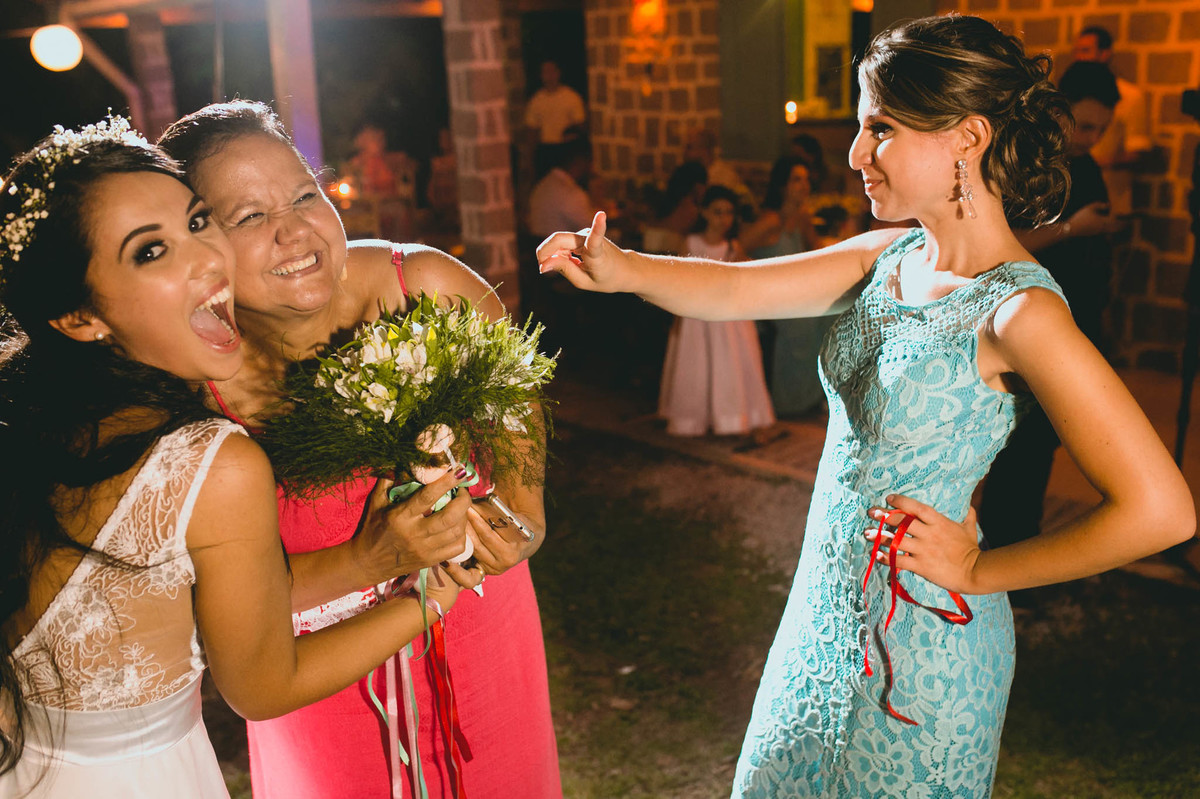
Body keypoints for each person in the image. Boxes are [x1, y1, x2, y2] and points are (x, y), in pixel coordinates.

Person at [538, 15, 1194, 797]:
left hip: (922, 664)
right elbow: (738, 288)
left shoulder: (1020, 314)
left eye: (878, 128)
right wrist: (622, 267)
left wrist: (984, 568)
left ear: (966, 136)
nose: (856, 155)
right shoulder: (889, 259)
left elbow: (1161, 510)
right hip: (819, 615)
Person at [0, 119, 469, 797]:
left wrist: (368, 559)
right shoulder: (214, 460)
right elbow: (263, 685)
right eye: (152, 251)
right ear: (79, 315)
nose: (208, 258)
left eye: (198, 221)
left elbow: (164, 589)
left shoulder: (28, 413)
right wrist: (440, 592)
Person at [158, 101, 562, 799]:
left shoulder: (427, 289)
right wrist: (368, 560)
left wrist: (524, 513)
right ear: (200, 244)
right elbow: (203, 598)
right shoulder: (185, 387)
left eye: (305, 195)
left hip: (478, 632)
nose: (295, 232)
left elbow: (517, 394)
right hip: (319, 691)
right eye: (250, 216)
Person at [978, 60, 1128, 550]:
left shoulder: (1085, 164)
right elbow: (1000, 246)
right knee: (1020, 447)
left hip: (1076, 319)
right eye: (1085, 126)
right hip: (1026, 326)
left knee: (1042, 446)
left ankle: (1022, 546)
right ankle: (1003, 552)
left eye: (1101, 130)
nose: (1091, 137)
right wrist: (1071, 229)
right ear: (1059, 111)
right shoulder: (1027, 165)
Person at [658, 185, 776, 439]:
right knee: (696, 364)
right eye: (717, 212)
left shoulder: (732, 247)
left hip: (728, 320)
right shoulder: (691, 242)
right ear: (704, 213)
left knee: (729, 365)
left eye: (728, 213)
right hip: (696, 317)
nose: (723, 219)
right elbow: (678, 281)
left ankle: (730, 417)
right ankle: (692, 419)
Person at [739, 156, 832, 415]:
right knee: (803, 325)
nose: (803, 186)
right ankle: (788, 401)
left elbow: (819, 252)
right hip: (770, 300)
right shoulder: (771, 222)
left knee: (830, 315)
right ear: (782, 186)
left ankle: (813, 395)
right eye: (796, 180)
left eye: (806, 180)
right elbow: (735, 249)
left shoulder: (802, 219)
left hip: (795, 296)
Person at [1071, 25, 1153, 216]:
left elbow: (1137, 151)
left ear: (1105, 53)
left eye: (1085, 50)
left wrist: (1094, 162)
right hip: (1074, 195)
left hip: (1110, 196)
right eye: (1077, 51)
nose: (1079, 57)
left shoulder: (1130, 96)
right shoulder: (1072, 91)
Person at [524, 60, 586, 179]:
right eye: (545, 72)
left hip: (566, 149)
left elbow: (581, 125)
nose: (549, 75)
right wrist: (529, 160)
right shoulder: (537, 100)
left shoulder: (571, 97)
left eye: (552, 71)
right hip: (546, 149)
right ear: (541, 76)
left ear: (558, 73)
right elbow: (532, 131)